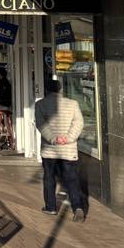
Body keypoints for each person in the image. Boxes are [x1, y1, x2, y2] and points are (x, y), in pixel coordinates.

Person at [35, 77, 86, 221]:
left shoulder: (40, 104)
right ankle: (77, 207)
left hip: (50, 149)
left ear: (46, 90)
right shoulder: (73, 104)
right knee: (71, 179)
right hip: (68, 150)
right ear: (60, 90)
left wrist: (53, 139)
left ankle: (51, 207)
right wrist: (68, 138)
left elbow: (41, 124)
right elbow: (79, 123)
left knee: (49, 178)